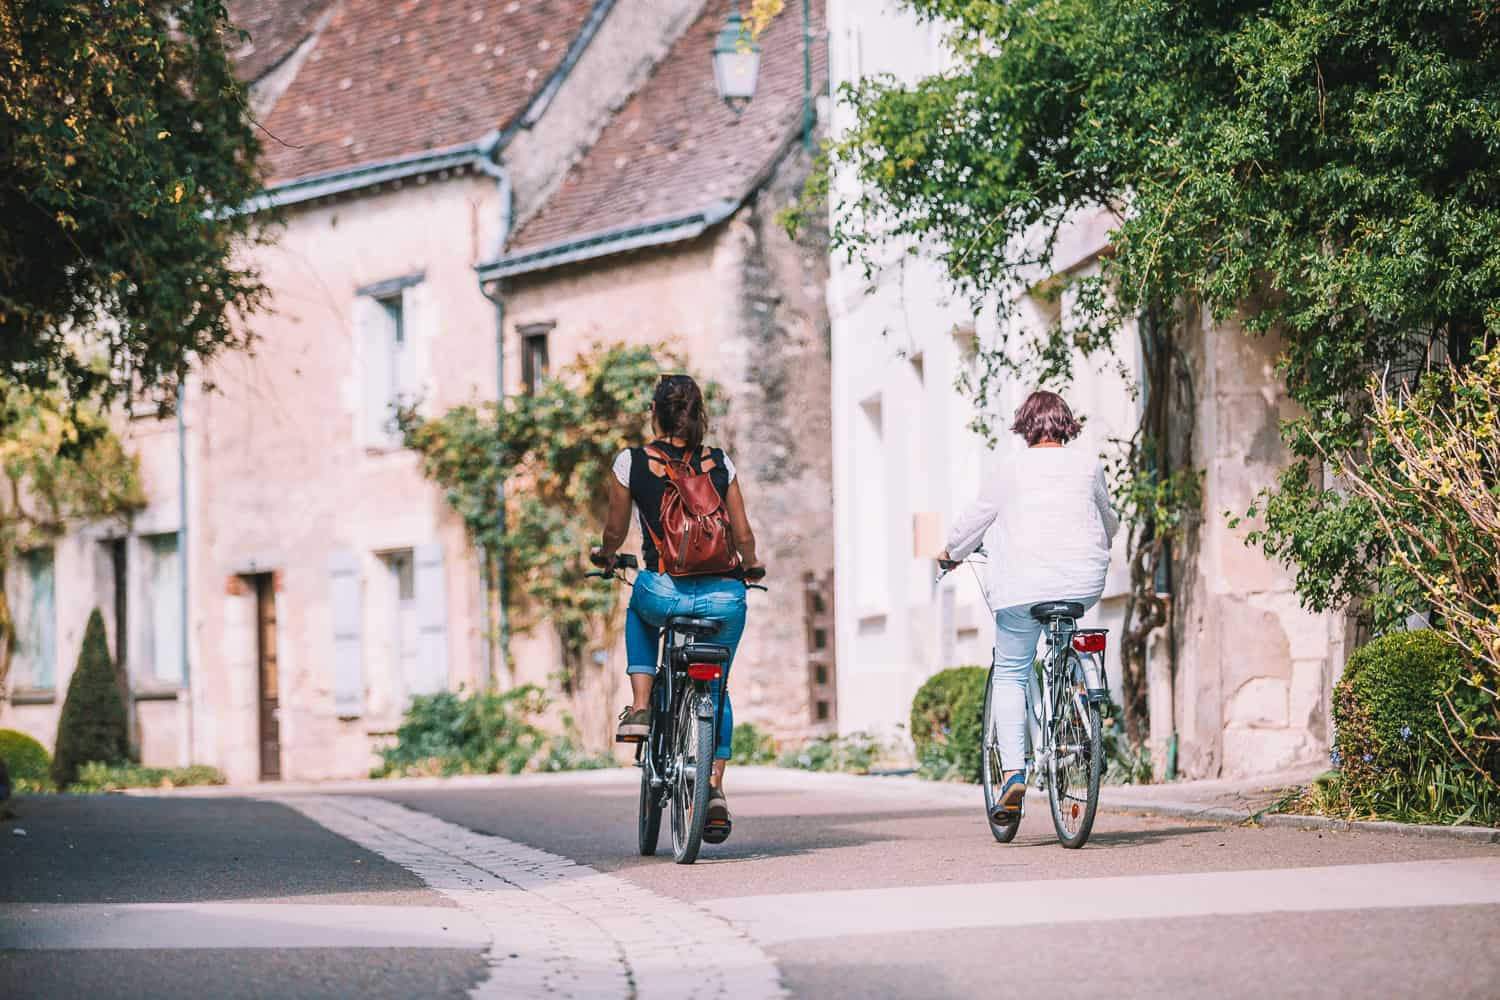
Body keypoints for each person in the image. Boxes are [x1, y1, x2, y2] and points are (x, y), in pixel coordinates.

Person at [593, 373, 764, 835]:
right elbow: (743, 533)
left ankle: (643, 706)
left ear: (655, 412)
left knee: (639, 608)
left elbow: (614, 529)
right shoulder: (719, 462)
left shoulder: (631, 462)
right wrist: (751, 567)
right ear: (700, 413)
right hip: (726, 596)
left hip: (664, 591)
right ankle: (712, 789)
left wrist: (607, 556)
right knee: (716, 686)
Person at [940, 389, 1119, 823]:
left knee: (1012, 671)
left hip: (1022, 587)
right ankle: (1074, 709)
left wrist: (950, 552)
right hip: (1082, 582)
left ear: (1025, 426)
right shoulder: (1087, 463)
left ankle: (1014, 774)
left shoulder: (1010, 468)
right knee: (1063, 642)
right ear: (1066, 425)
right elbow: (1109, 520)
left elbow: (975, 519)